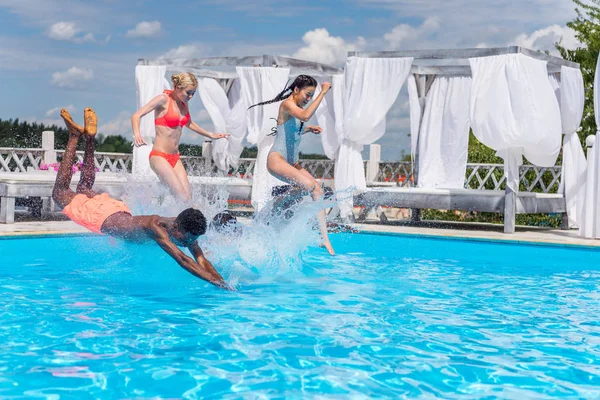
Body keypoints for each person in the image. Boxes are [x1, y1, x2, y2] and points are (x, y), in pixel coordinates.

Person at [53, 108, 230, 289]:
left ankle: (89, 139)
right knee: (59, 193)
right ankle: (74, 137)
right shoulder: (155, 228)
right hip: (103, 218)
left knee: (83, 188)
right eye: (186, 239)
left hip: (116, 210)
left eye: (191, 240)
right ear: (176, 225)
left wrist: (223, 283)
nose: (187, 243)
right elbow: (183, 260)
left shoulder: (186, 228)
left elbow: (201, 260)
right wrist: (214, 282)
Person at [248, 75, 335, 255]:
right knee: (310, 187)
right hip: (277, 159)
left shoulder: (297, 108)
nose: (309, 98)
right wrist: (323, 92)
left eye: (312, 95)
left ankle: (325, 239)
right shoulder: (287, 105)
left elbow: (291, 132)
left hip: (292, 163)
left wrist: (309, 129)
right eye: (308, 94)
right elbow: (304, 115)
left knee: (317, 191)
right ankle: (273, 207)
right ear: (296, 90)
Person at [131, 72, 229, 202]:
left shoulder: (183, 104)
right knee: (181, 197)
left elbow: (188, 123)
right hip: (159, 156)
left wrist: (210, 134)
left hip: (175, 158)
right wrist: (137, 134)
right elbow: (136, 115)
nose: (191, 96)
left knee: (187, 199)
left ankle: (173, 219)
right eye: (188, 92)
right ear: (177, 87)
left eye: (193, 93)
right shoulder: (163, 99)